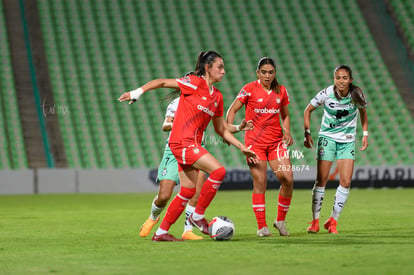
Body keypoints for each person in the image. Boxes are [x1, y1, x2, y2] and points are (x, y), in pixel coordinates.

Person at [118, 50, 259, 241]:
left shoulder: (217, 97)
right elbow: (161, 82)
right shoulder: (193, 83)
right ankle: (198, 216)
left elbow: (220, 129)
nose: (224, 71)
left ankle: (160, 233)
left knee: (188, 191)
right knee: (219, 172)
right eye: (220, 67)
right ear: (208, 68)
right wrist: (138, 92)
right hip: (181, 143)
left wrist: (241, 147)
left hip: (191, 145)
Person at [139, 95, 253, 240]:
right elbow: (165, 125)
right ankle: (153, 217)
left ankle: (187, 231)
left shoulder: (206, 102)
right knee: (164, 196)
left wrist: (238, 127)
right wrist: (183, 123)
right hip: (175, 148)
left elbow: (221, 126)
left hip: (196, 147)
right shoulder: (178, 103)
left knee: (194, 192)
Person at [226, 57, 294, 237]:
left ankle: (280, 220)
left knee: (287, 179)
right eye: (263, 72)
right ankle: (262, 227)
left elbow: (285, 115)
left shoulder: (282, 91)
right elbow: (232, 110)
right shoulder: (249, 89)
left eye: (271, 72)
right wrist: (229, 130)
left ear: (275, 74)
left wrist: (287, 131)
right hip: (254, 144)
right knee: (261, 182)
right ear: (258, 73)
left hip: (276, 142)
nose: (267, 75)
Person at [304, 64, 368, 234]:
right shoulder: (326, 93)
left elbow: (363, 112)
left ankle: (333, 221)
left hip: (347, 141)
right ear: (334, 79)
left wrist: (365, 134)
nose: (341, 81)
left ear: (350, 80)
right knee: (321, 180)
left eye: (344, 78)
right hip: (327, 139)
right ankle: (315, 221)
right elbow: (308, 110)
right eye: (338, 78)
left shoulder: (357, 94)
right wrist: (307, 133)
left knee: (346, 182)